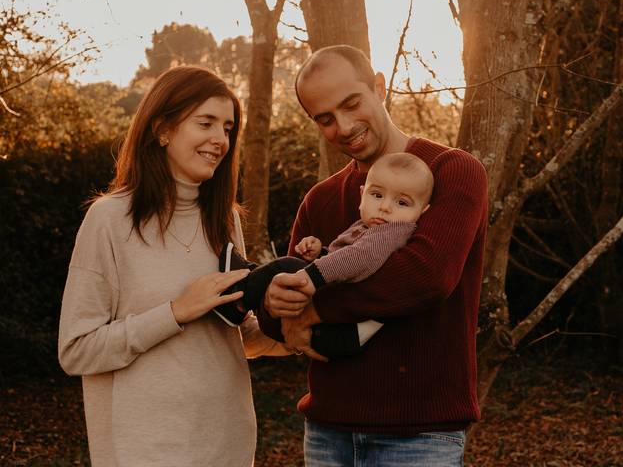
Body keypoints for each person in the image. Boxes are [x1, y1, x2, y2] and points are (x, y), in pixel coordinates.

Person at [255, 45, 489, 466]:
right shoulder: (320, 200)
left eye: (351, 104)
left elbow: (425, 276)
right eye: (325, 119)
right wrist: (275, 304)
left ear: (379, 86)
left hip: (420, 434)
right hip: (328, 433)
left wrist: (316, 305)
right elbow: (287, 322)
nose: (343, 127)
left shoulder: (453, 172)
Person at [58, 66, 289, 467]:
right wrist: (175, 312)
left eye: (229, 128)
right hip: (145, 449)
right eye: (206, 123)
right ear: (162, 129)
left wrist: (292, 330)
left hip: (227, 444)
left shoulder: (224, 219)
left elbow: (232, 337)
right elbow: (76, 351)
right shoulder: (110, 220)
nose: (220, 139)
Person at [215, 152, 434, 360]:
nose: (385, 207)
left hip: (343, 331)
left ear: (423, 211)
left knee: (288, 267)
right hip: (339, 329)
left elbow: (360, 258)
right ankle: (246, 296)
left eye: (402, 202)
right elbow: (345, 259)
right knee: (287, 280)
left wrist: (312, 275)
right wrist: (320, 253)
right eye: (377, 195)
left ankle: (240, 293)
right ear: (362, 195)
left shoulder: (392, 232)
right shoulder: (369, 227)